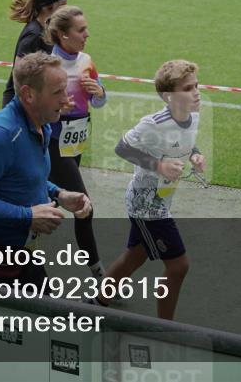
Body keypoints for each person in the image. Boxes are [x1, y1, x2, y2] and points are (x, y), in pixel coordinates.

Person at [0, 52, 91, 284]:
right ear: (28, 94)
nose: (65, 99)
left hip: (18, 254)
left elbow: (23, 175)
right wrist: (27, 216)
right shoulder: (1, 134)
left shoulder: (41, 125)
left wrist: (59, 194)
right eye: (57, 92)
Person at [93, 60, 205, 320]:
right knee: (178, 266)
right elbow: (121, 148)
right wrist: (159, 165)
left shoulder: (193, 114)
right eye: (188, 88)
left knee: (136, 256)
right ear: (168, 96)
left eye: (197, 85)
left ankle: (98, 302)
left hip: (162, 200)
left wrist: (195, 156)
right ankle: (165, 326)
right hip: (146, 204)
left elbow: (188, 142)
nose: (196, 92)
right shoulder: (152, 123)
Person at [42, 5, 107, 280]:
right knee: (83, 206)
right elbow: (34, 109)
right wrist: (57, 108)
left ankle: (13, 249)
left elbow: (100, 100)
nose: (87, 34)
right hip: (54, 144)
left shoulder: (86, 60)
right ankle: (100, 274)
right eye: (81, 30)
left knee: (46, 200)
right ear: (62, 35)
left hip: (76, 142)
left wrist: (99, 91)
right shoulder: (48, 66)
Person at [2, 0, 67, 107]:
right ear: (48, 7)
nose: (67, 10)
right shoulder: (34, 35)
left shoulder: (48, 30)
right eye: (63, 6)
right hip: (21, 106)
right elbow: (18, 77)